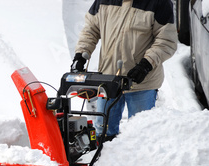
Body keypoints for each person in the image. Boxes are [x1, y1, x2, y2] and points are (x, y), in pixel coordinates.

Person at [71, 0, 178, 140]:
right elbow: (91, 29)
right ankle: (104, 159)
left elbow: (166, 41)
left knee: (141, 134)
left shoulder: (159, 3)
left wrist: (146, 65)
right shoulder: (103, 1)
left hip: (142, 82)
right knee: (103, 131)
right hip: (108, 79)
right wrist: (81, 54)